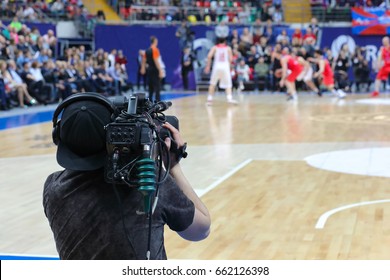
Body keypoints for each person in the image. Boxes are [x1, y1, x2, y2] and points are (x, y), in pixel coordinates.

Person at [43, 93, 211, 260]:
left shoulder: (53, 187)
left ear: (58, 136)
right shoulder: (147, 182)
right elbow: (200, 231)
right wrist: (173, 166)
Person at [204, 37, 238, 105]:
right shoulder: (228, 48)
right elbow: (231, 59)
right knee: (228, 84)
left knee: (212, 83)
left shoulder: (215, 47)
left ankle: (209, 100)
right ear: (225, 41)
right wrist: (230, 67)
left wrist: (208, 66)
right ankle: (229, 98)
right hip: (225, 67)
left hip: (217, 66)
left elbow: (209, 56)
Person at [141, 36, 163, 102]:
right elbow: (156, 61)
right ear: (155, 41)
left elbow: (144, 60)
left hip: (149, 70)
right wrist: (160, 70)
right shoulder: (155, 50)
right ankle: (157, 101)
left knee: (150, 87)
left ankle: (149, 101)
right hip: (155, 70)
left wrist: (143, 69)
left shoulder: (147, 50)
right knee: (157, 87)